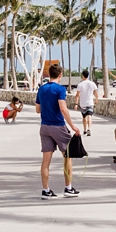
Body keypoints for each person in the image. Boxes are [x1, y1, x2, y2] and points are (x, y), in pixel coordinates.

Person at [35, 64, 81, 198]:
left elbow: (38, 109)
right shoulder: (60, 89)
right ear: (60, 75)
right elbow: (63, 108)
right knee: (67, 157)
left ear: (49, 74)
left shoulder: (42, 89)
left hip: (44, 127)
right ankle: (68, 188)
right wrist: (73, 126)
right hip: (58, 126)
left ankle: (46, 190)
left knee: (46, 161)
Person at [76, 69, 98, 136]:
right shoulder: (92, 84)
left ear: (83, 76)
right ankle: (89, 129)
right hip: (90, 102)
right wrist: (96, 99)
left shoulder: (80, 85)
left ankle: (85, 130)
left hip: (83, 103)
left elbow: (77, 95)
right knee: (90, 116)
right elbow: (95, 93)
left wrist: (76, 104)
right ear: (88, 75)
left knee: (84, 117)